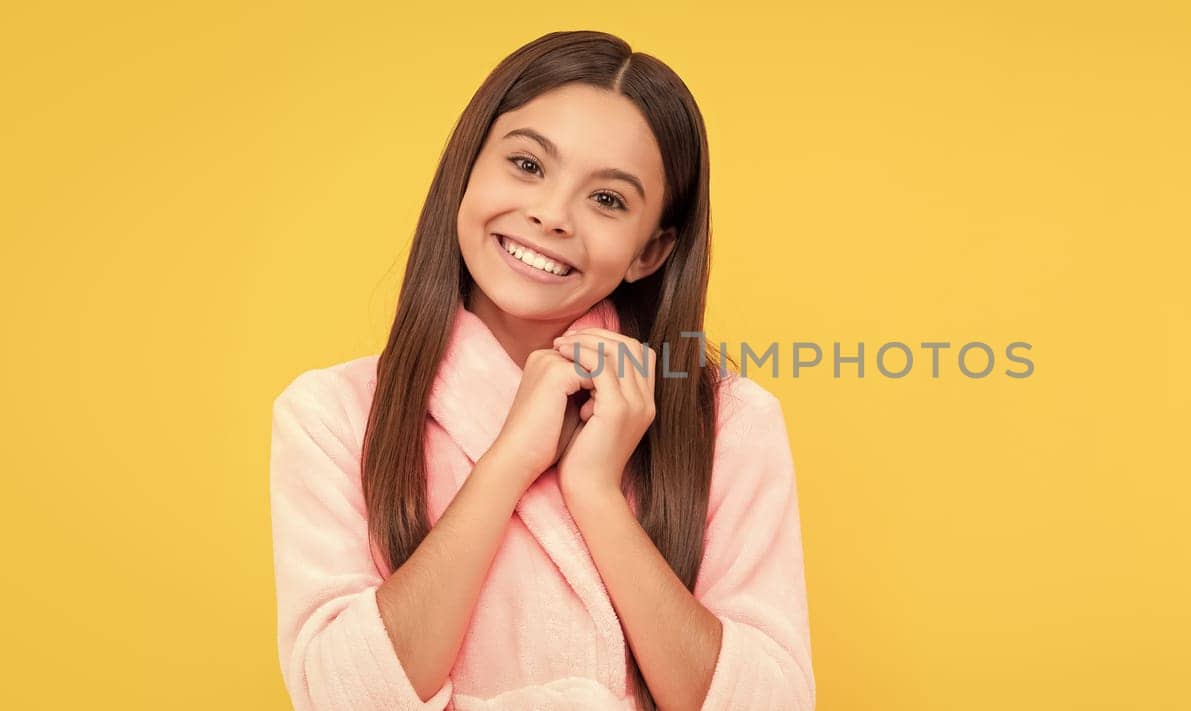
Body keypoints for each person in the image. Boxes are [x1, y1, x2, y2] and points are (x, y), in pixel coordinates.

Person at [268, 30, 815, 711]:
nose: (550, 215)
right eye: (527, 164)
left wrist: (595, 490)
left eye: (608, 200)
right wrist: (511, 458)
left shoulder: (729, 421)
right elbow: (342, 698)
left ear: (650, 251)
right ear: (467, 167)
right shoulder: (331, 414)